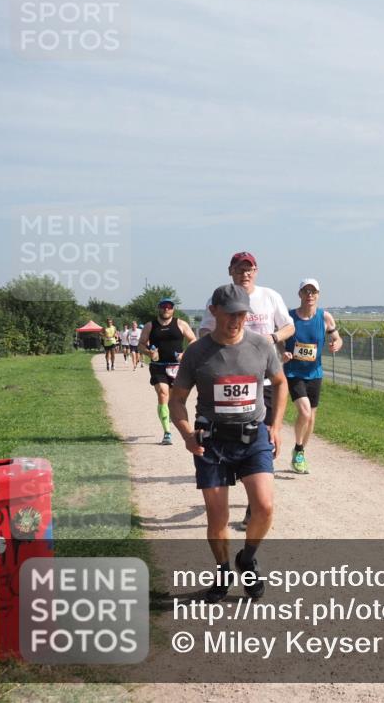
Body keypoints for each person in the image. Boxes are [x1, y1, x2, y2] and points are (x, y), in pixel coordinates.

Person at [169, 284, 286, 602]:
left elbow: (280, 382)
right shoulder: (197, 352)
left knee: (264, 507)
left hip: (253, 438)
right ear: (214, 311)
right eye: (230, 313)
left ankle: (246, 559)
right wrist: (186, 434)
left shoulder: (261, 346)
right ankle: (221, 574)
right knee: (217, 518)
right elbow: (177, 400)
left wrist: (275, 426)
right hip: (213, 443)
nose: (236, 320)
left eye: (241, 314)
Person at [199, 252, 294, 529]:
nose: (245, 273)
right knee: (230, 436)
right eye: (240, 269)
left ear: (256, 271)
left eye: (250, 269)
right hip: (227, 382)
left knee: (261, 437)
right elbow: (205, 331)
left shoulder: (270, 296)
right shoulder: (216, 299)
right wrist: (225, 344)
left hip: (262, 381)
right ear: (230, 270)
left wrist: (272, 338)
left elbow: (288, 326)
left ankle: (254, 505)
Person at [280, 278, 343, 474]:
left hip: (315, 373)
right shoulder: (289, 318)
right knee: (305, 412)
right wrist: (283, 352)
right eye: (306, 291)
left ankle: (300, 453)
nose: (309, 295)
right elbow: (278, 340)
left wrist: (336, 344)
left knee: (311, 417)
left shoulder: (325, 317)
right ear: (299, 294)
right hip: (293, 372)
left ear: (318, 295)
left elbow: (337, 337)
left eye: (313, 292)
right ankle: (298, 448)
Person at [139, 298, 197, 445]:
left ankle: (170, 413)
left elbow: (193, 340)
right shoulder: (150, 326)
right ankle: (167, 433)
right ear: (159, 308)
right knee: (163, 393)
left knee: (174, 399)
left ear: (173, 309)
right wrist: (148, 352)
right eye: (163, 306)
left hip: (177, 367)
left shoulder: (180, 324)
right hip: (158, 366)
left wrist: (185, 354)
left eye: (169, 307)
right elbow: (141, 344)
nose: (166, 309)